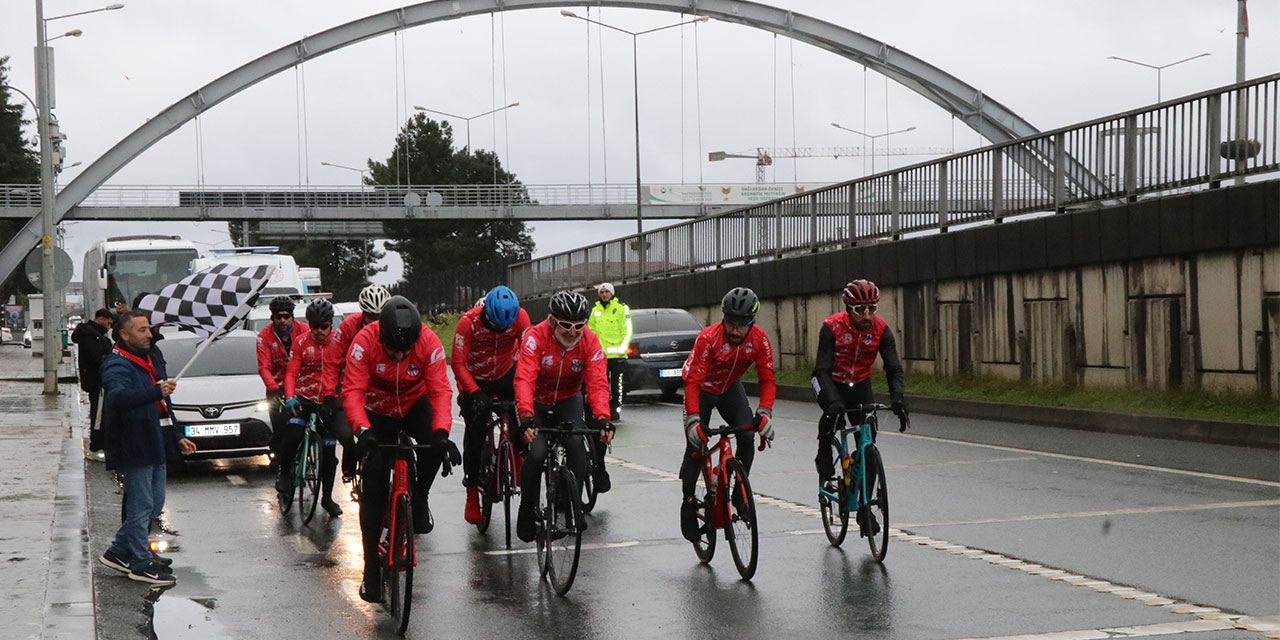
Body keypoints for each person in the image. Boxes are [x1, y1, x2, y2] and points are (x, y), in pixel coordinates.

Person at [343, 295, 456, 603]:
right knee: (375, 482)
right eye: (393, 350)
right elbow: (352, 390)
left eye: (405, 352)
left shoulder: (429, 342)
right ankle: (371, 570)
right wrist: (361, 430)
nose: (398, 356)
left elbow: (441, 390)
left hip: (414, 404)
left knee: (435, 444)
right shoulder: (364, 341)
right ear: (382, 337)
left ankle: (419, 498)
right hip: (377, 411)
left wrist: (443, 431)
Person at [97, 310, 196, 585]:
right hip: (134, 442)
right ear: (124, 335)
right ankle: (140, 562)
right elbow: (117, 398)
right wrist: (156, 390)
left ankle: (119, 551)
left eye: (149, 329)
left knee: (154, 503)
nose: (149, 334)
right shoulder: (117, 363)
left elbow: (164, 407)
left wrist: (177, 435)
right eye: (142, 330)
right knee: (141, 507)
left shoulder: (150, 359)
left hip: (156, 439)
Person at [513, 290, 612, 543]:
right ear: (553, 321)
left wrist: (602, 418)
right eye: (566, 325)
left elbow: (598, 383)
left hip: (568, 399)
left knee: (577, 443)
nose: (572, 331)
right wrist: (525, 415)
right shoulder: (535, 338)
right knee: (536, 452)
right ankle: (527, 509)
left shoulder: (590, 341)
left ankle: (572, 506)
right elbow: (524, 378)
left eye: (579, 326)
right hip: (536, 399)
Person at [679, 287, 777, 541]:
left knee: (747, 437)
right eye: (731, 323)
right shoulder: (708, 339)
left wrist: (765, 413)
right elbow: (692, 382)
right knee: (696, 444)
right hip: (701, 389)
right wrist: (693, 421)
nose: (735, 330)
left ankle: (738, 491)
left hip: (729, 388)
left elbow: (768, 379)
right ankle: (688, 501)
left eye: (742, 325)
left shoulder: (760, 340)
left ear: (752, 323)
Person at [810, 280, 907, 533]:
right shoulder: (831, 327)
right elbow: (821, 368)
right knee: (833, 412)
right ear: (848, 308)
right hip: (830, 380)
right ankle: (823, 453)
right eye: (860, 309)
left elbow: (893, 366)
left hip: (859, 383)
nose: (867, 315)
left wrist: (898, 397)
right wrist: (832, 402)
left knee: (868, 443)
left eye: (871, 308)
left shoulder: (881, 329)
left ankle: (864, 508)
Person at [451, 285, 531, 525]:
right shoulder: (468, 323)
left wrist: (526, 386)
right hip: (475, 379)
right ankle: (472, 493)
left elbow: (529, 354)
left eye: (505, 328)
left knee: (521, 425)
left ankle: (520, 469)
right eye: (495, 326)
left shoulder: (521, 318)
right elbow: (457, 362)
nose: (499, 331)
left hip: (506, 375)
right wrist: (474, 393)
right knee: (475, 434)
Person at [279, 299, 348, 518]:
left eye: (323, 326)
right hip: (304, 397)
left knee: (329, 452)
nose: (318, 331)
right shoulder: (300, 342)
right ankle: (285, 474)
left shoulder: (340, 342)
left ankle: (327, 497)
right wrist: (290, 396)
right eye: (314, 326)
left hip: (329, 400)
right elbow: (291, 373)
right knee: (293, 432)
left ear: (330, 325)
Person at [323, 284, 389, 478]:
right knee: (344, 433)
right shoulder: (349, 327)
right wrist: (328, 394)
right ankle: (351, 456)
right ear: (363, 313)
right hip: (350, 383)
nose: (375, 322)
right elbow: (332, 362)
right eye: (370, 316)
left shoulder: (392, 325)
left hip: (379, 385)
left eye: (379, 317)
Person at [257, 295, 308, 489]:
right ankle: (281, 462)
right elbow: (263, 367)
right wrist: (275, 389)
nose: (283, 321)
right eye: (279, 317)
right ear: (273, 318)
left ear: (293, 317)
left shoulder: (305, 331)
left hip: (301, 386)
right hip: (277, 387)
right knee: (281, 428)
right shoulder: (264, 337)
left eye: (287, 316)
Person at [586, 282, 631, 422]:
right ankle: (602, 409)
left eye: (607, 292)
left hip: (617, 355)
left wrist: (622, 349)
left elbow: (627, 330)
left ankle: (615, 409)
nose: (604, 294)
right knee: (600, 385)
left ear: (612, 293)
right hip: (600, 356)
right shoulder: (595, 310)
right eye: (602, 292)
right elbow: (590, 331)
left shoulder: (621, 308)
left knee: (617, 386)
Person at [72, 308, 115, 454]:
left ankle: (100, 443)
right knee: (98, 414)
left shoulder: (93, 334)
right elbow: (95, 358)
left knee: (100, 412)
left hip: (98, 380)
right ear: (101, 319)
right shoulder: (91, 335)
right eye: (108, 324)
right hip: (97, 381)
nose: (108, 327)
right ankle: (96, 446)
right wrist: (110, 360)